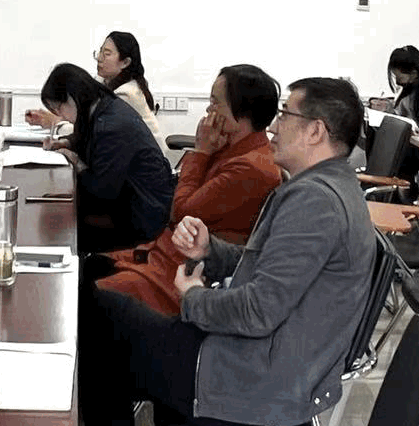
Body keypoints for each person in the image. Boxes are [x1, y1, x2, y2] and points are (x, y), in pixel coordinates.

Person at [70, 76, 378, 426]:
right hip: (255, 358)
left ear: (315, 130)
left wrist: (193, 299)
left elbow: (258, 311)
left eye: (286, 115)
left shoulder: (316, 202)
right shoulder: (326, 187)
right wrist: (210, 251)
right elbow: (266, 271)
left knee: (101, 318)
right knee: (105, 325)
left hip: (257, 377)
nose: (275, 126)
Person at [95, 64, 283, 315]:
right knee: (88, 268)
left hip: (181, 273)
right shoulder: (231, 149)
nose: (208, 110)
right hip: (163, 253)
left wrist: (201, 152)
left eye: (215, 103)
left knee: (91, 296)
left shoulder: (251, 168)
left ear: (242, 113)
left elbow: (181, 211)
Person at [38, 63, 174, 253]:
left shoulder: (112, 125)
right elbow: (85, 137)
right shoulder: (102, 106)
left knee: (57, 222)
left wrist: (77, 163)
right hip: (130, 202)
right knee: (55, 211)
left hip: (142, 216)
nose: (59, 115)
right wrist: (66, 143)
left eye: (58, 108)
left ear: (72, 97)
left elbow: (101, 192)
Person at [26, 30, 161, 139]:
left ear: (125, 62)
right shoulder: (102, 83)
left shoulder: (127, 94)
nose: (99, 59)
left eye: (107, 54)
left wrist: (56, 123)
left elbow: (95, 132)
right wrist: (56, 115)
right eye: (100, 52)